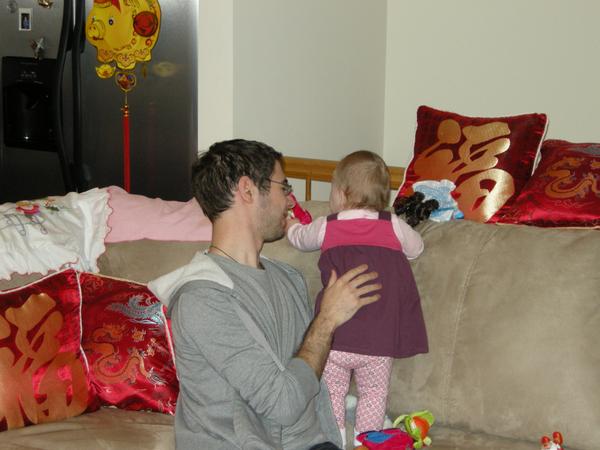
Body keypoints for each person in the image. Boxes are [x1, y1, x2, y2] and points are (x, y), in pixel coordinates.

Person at [148, 139, 382, 450]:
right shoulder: (202, 299)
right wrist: (326, 320)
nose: (290, 201)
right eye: (283, 187)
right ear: (247, 190)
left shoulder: (289, 278)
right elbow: (283, 404)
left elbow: (310, 379)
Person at [286, 150, 428, 447]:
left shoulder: (327, 225)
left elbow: (300, 239)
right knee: (374, 394)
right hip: (379, 340)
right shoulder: (392, 225)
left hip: (335, 336)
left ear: (340, 193)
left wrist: (291, 226)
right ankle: (367, 442)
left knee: (332, 394)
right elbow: (417, 249)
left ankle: (336, 439)